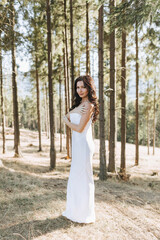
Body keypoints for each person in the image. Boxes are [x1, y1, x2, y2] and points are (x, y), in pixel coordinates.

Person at [62, 75, 99, 224]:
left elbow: (79, 128)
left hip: (84, 146)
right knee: (76, 178)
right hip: (77, 147)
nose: (80, 90)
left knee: (84, 179)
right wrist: (66, 118)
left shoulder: (88, 105)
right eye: (77, 87)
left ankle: (84, 214)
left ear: (89, 88)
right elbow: (68, 116)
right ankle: (75, 211)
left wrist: (65, 121)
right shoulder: (79, 105)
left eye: (83, 87)